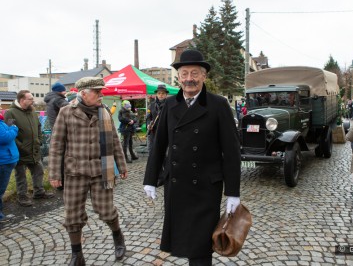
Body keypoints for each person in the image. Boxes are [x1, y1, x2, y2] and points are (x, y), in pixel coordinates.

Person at [143, 49, 241, 266]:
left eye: (195, 73)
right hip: (176, 185)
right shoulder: (169, 104)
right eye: (184, 73)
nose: (189, 79)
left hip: (205, 187)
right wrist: (150, 179)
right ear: (178, 77)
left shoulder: (218, 105)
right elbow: (159, 145)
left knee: (200, 247)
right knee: (183, 240)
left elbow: (232, 152)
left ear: (204, 76)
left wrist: (233, 192)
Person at [48, 77, 128, 265]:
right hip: (75, 172)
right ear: (83, 94)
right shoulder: (66, 112)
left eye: (101, 91)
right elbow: (57, 144)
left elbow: (115, 141)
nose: (101, 95)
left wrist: (122, 165)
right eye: (97, 92)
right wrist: (54, 174)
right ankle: (77, 254)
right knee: (73, 215)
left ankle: (118, 236)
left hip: (102, 171)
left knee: (106, 211)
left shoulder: (105, 112)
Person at [5, 90, 54, 207]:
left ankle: (39, 192)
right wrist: (20, 146)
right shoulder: (10, 113)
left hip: (34, 149)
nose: (33, 101)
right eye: (30, 99)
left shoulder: (32, 111)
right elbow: (8, 132)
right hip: (20, 151)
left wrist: (39, 140)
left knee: (38, 170)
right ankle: (22, 197)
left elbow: (38, 126)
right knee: (20, 175)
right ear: (22, 100)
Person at [0, 102, 19, 221]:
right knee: (0, 189)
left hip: (6, 159)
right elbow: (4, 138)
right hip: (3, 161)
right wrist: (13, 128)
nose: (1, 108)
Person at [146, 84, 169, 153]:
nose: (161, 95)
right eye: (159, 93)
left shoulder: (169, 105)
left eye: (163, 93)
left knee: (164, 153)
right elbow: (148, 118)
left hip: (165, 133)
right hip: (153, 132)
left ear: (166, 95)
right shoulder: (151, 105)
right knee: (152, 152)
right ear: (156, 94)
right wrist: (148, 125)